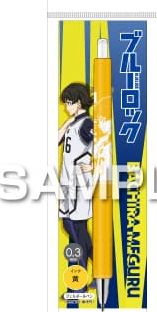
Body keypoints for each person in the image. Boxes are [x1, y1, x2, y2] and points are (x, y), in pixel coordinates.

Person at [58, 83, 94, 285]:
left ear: (79, 102)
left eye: (69, 103)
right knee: (68, 224)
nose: (66, 106)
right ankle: (95, 266)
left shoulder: (87, 124)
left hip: (79, 184)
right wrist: (67, 122)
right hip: (66, 182)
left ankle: (85, 276)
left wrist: (94, 166)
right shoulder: (73, 124)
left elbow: (103, 148)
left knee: (78, 227)